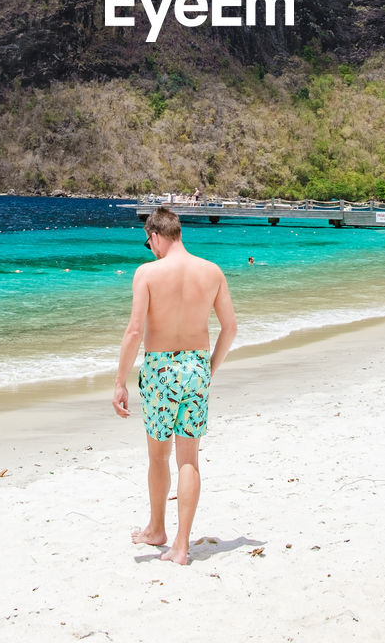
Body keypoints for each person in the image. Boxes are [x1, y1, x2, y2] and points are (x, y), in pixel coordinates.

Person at [113, 206, 237, 566]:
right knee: (189, 459)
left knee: (158, 455)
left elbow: (135, 331)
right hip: (196, 366)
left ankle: (156, 529)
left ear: (154, 236)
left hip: (160, 369)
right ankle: (181, 546)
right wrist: (209, 368)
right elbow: (230, 327)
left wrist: (120, 382)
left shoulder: (148, 273)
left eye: (148, 242)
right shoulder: (211, 272)